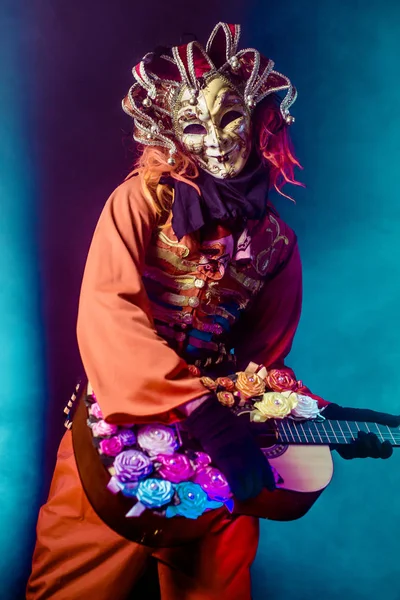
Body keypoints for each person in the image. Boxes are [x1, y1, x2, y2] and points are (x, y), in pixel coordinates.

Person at [26, 22, 400, 600]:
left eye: (228, 118)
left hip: (225, 446)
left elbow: (261, 367)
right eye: (194, 126)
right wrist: (196, 409)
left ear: (255, 118)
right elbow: (108, 316)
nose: (217, 140)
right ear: (172, 133)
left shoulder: (278, 243)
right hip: (115, 438)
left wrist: (325, 419)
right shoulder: (140, 202)